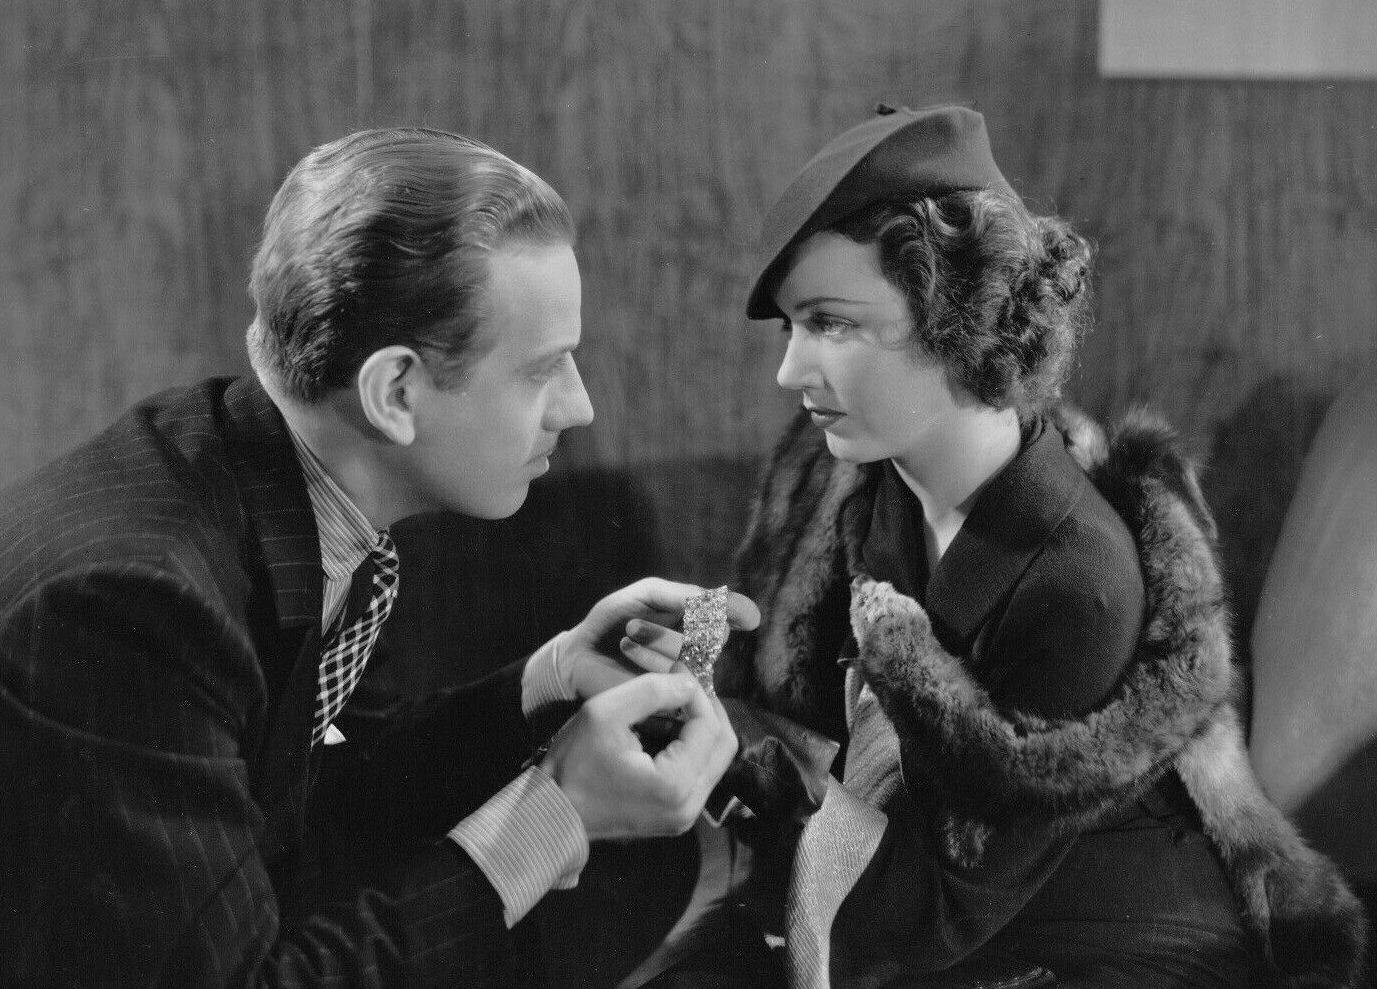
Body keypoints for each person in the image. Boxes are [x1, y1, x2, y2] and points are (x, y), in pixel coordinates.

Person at [0, 127, 752, 987]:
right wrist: (557, 815)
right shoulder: (130, 605)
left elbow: (311, 800)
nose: (577, 407)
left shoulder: (280, 485)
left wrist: (548, 681)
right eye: (541, 370)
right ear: (394, 391)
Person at [681, 104, 1366, 987]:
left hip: (1100, 953)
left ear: (953, 315)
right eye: (791, 327)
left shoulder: (1074, 581)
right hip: (931, 913)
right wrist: (701, 693)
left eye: (832, 324)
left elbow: (933, 914)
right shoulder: (868, 483)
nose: (789, 371)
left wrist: (738, 762)